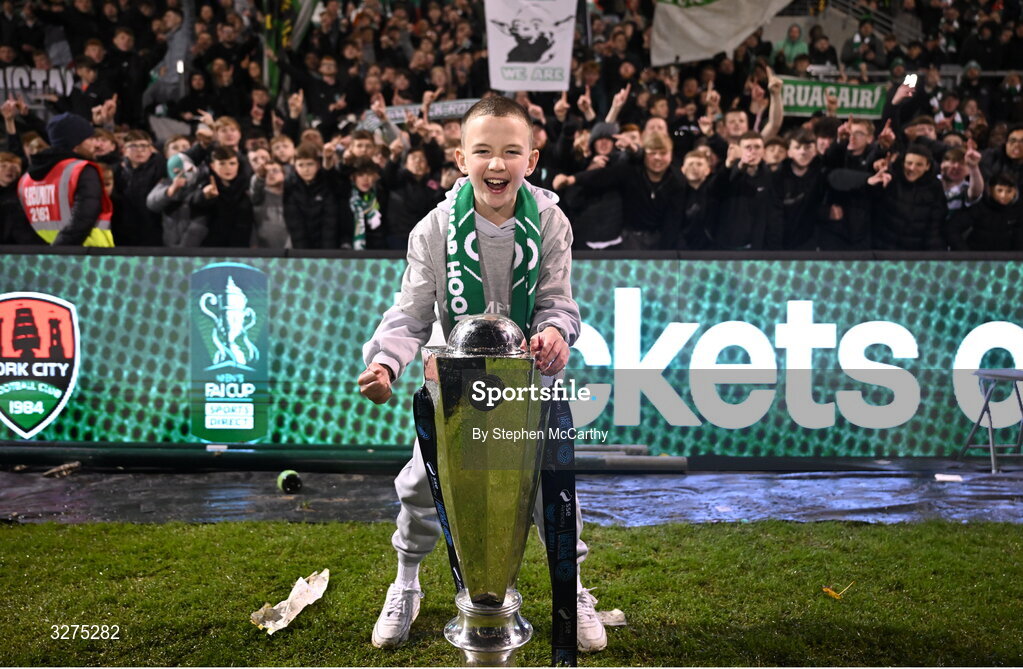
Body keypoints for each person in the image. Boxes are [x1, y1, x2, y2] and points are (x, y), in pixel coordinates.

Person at [357, 96, 606, 653]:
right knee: (423, 487)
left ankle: (575, 590)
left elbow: (558, 303)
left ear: (532, 160)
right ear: (460, 158)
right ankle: (407, 584)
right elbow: (412, 311)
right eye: (484, 152)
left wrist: (557, 335)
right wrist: (385, 362)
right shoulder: (435, 227)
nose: (497, 164)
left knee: (552, 489)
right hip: (455, 388)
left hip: (528, 383)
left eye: (511, 152)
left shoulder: (550, 221)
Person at [17, 112, 112, 246]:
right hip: (89, 258)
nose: (96, 145)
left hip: (46, 256)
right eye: (90, 139)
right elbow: (84, 219)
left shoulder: (26, 179)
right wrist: (60, 252)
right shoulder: (82, 170)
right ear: (75, 144)